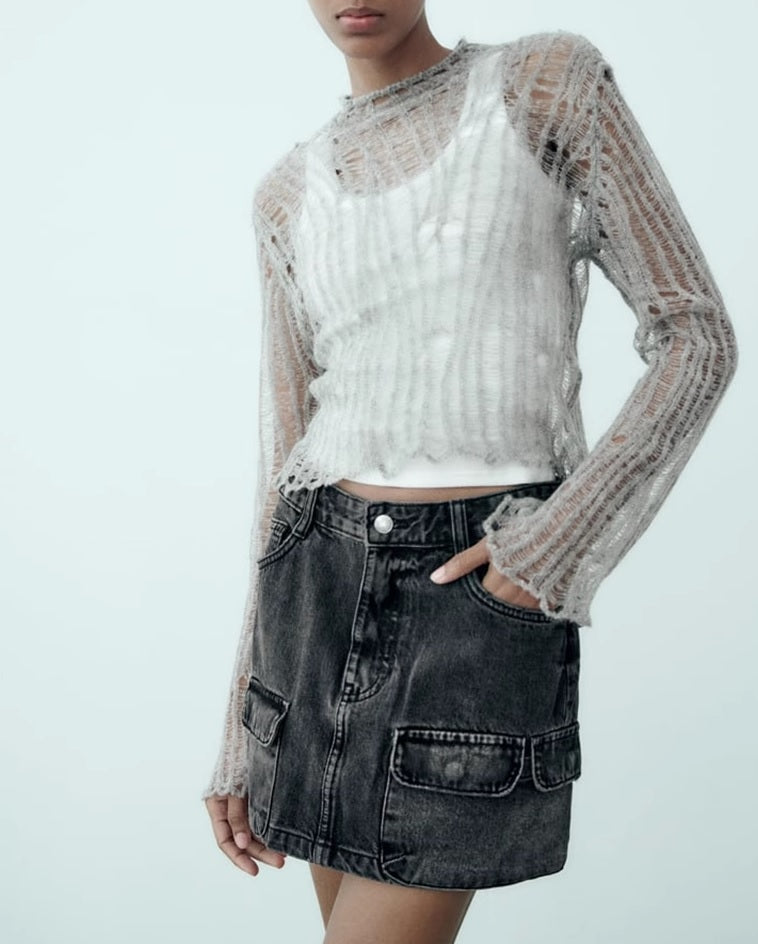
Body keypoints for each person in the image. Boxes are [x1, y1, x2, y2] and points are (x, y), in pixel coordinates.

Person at [202, 2, 738, 942]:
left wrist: (554, 544)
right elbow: (284, 463)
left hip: (472, 600)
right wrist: (239, 731)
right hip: (315, 601)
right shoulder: (286, 194)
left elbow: (695, 335)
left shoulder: (543, 85)